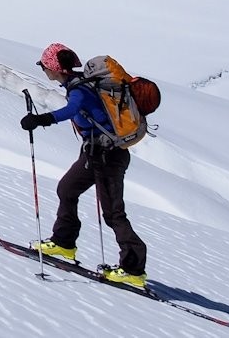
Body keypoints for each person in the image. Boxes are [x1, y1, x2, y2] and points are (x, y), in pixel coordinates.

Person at [20, 42, 149, 288]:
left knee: (113, 214)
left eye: (45, 66)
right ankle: (64, 243)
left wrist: (41, 120)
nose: (44, 70)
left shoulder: (79, 90)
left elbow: (72, 109)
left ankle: (133, 269)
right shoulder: (79, 84)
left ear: (55, 68)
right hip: (94, 153)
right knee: (67, 189)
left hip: (108, 157)